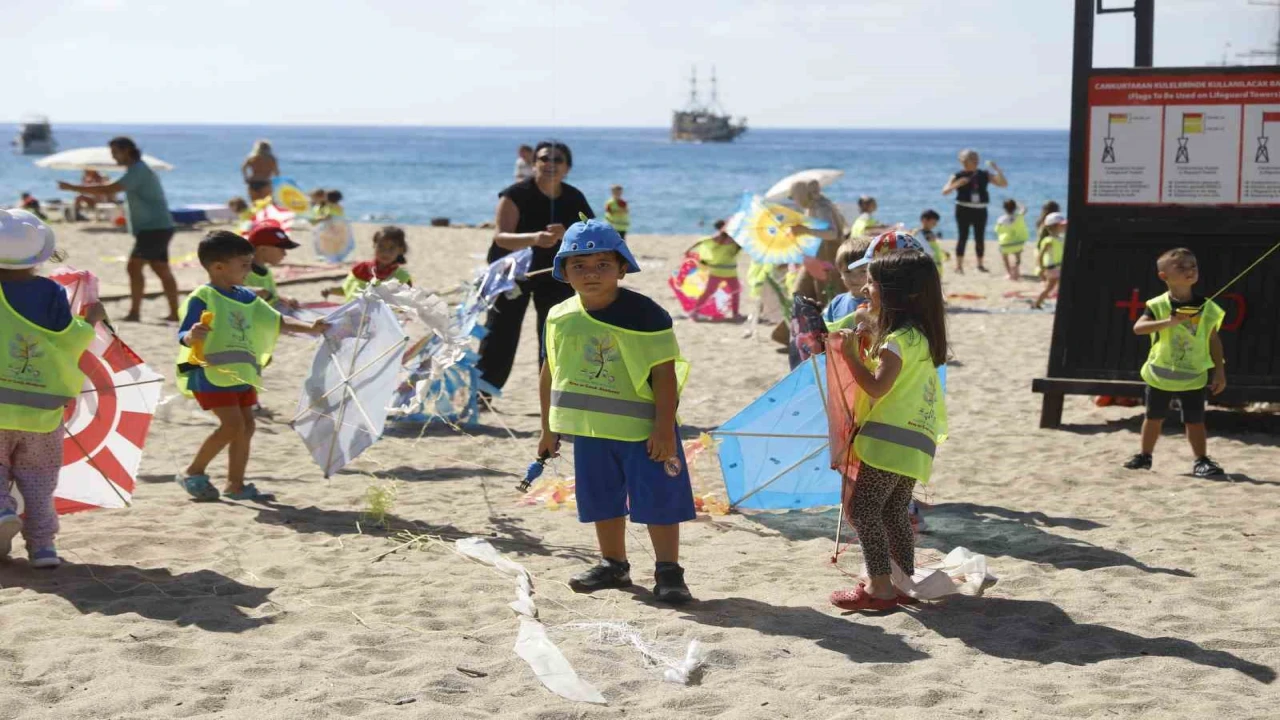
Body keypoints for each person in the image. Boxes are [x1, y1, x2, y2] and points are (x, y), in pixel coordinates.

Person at [537, 219, 695, 604]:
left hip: (645, 430)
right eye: (579, 265)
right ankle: (614, 565)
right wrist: (548, 428)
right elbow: (550, 371)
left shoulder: (648, 315)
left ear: (622, 268)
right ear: (564, 272)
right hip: (590, 430)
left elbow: (664, 375)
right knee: (601, 498)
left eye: (602, 264)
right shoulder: (559, 316)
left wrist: (662, 429)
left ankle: (668, 571)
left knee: (658, 499)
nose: (591, 273)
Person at [828, 246, 947, 612]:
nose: (865, 289)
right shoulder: (920, 335)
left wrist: (849, 356)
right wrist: (872, 335)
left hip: (888, 440)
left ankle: (880, 587)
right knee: (894, 509)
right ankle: (901, 577)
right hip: (917, 439)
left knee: (863, 510)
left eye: (873, 282)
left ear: (897, 292)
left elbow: (878, 388)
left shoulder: (897, 342)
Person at [174, 231, 327, 501]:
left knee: (247, 426)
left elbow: (277, 321)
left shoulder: (246, 297)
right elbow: (184, 333)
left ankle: (236, 485)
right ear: (219, 267)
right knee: (231, 426)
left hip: (243, 373)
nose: (249, 271)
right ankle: (193, 471)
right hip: (211, 374)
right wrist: (190, 336)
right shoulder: (204, 297)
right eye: (244, 265)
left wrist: (311, 328)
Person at [0, 209, 107, 568]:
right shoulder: (50, 291)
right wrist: (90, 319)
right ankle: (43, 548)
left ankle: (2, 513)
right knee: (39, 481)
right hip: (43, 409)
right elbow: (68, 339)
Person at [477, 140, 594, 392]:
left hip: (555, 273)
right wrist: (534, 238)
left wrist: (568, 233)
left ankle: (555, 393)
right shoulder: (515, 194)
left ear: (568, 168)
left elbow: (592, 235)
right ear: (533, 164)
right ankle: (482, 393)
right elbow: (501, 237)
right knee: (501, 333)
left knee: (555, 334)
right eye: (544, 159)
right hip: (513, 273)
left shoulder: (574, 197)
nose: (550, 164)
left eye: (557, 160)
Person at [1124, 248, 1226, 477]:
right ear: (1164, 276)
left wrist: (1219, 371)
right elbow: (1138, 328)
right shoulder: (1157, 304)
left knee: (1195, 420)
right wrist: (1168, 322)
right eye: (1181, 267)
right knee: (1153, 417)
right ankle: (1144, 456)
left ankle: (1201, 460)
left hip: (1194, 375)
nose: (1189, 270)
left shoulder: (1206, 306)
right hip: (1161, 373)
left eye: (1193, 266)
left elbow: (1214, 340)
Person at [58, 137, 178, 322]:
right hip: (158, 227)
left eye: (115, 153)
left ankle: (136, 312)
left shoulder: (138, 170)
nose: (114, 158)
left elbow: (110, 188)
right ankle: (172, 312)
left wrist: (72, 187)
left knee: (134, 266)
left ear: (127, 151)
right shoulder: (136, 169)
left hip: (154, 228)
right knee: (160, 269)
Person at [942, 149, 1008, 274]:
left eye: (977, 158)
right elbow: (944, 191)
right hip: (963, 208)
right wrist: (956, 184)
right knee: (963, 237)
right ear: (963, 160)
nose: (976, 161)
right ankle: (959, 266)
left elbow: (1003, 184)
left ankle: (980, 265)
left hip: (980, 209)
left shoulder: (984, 174)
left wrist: (998, 171)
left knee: (980, 237)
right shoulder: (957, 175)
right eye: (973, 158)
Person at [321, 226, 412, 301]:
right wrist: (331, 290)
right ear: (374, 245)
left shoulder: (402, 278)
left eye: (391, 248)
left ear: (401, 250)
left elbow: (406, 304)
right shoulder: (360, 269)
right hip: (353, 319)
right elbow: (347, 290)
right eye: (381, 247)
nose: (385, 252)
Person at [686, 219, 743, 320]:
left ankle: (735, 313)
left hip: (728, 272)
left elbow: (700, 241)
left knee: (734, 292)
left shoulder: (734, 239)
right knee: (712, 292)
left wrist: (688, 250)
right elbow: (702, 241)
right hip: (720, 271)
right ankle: (695, 312)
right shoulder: (722, 238)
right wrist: (688, 250)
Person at [244, 219, 301, 308]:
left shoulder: (266, 271)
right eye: (281, 249)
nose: (285, 254)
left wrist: (283, 298)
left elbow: (270, 298)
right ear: (262, 249)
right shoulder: (241, 273)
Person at [822, 237, 871, 331]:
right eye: (848, 272)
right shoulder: (836, 303)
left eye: (863, 271)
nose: (854, 278)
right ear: (840, 272)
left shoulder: (879, 303)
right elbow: (825, 329)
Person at [1032, 212, 1066, 310]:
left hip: (1058, 266)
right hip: (1053, 267)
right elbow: (1041, 255)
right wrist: (1041, 268)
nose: (1064, 227)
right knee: (1050, 287)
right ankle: (1037, 303)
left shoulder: (1060, 239)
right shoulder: (1049, 240)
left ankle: (1039, 303)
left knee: (1056, 287)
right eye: (1062, 226)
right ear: (1054, 227)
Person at [995, 199, 1029, 281]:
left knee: (1005, 257)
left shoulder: (1001, 219)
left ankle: (1009, 273)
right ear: (1015, 208)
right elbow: (1024, 209)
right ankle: (1016, 269)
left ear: (1004, 208)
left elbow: (997, 230)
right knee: (1017, 256)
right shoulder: (1019, 216)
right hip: (1018, 242)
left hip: (1005, 244)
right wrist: (1018, 204)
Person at [913, 209, 947, 276]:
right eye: (933, 223)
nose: (935, 225)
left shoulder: (930, 233)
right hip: (929, 266)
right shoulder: (918, 234)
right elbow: (927, 250)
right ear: (924, 220)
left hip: (936, 266)